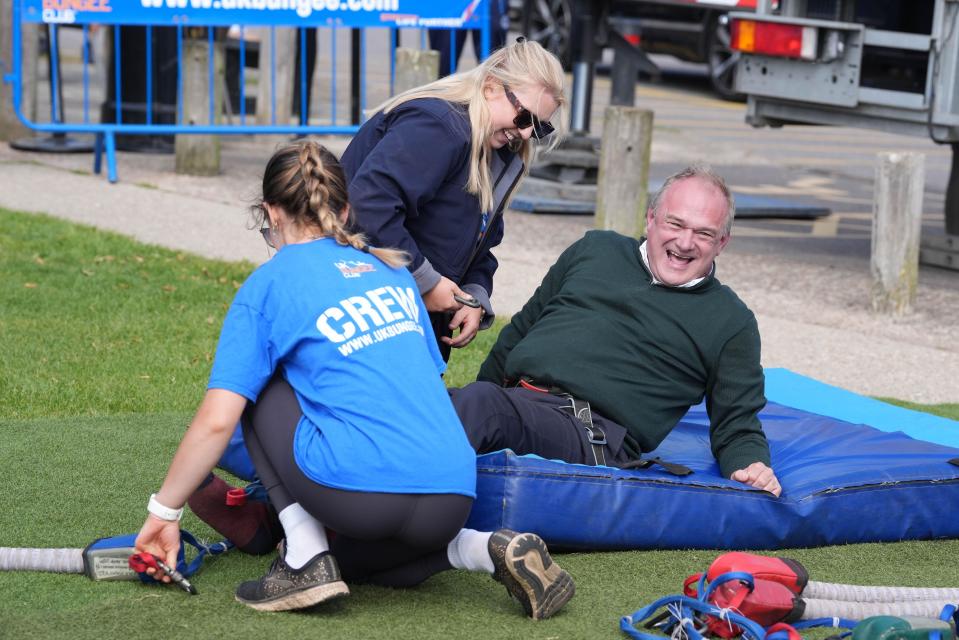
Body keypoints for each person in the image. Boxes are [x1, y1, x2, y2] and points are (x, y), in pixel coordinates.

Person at [134, 140, 575, 618]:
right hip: (452, 494)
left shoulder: (269, 284)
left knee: (255, 388)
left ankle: (302, 554)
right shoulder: (396, 272)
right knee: (350, 564)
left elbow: (219, 422)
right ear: (346, 209)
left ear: (270, 212)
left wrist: (164, 511)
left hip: (360, 494)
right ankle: (480, 547)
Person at [448, 166, 783, 497]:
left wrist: (750, 464)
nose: (685, 242)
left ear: (722, 242)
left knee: (482, 406)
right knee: (423, 398)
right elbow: (520, 331)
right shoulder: (595, 250)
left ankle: (410, 517)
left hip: (590, 434)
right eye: (675, 223)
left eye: (704, 233)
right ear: (651, 219)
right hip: (517, 402)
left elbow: (737, 424)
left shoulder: (730, 320)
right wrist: (470, 402)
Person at [340, 38, 567, 362]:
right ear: (491, 87)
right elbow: (367, 206)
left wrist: (474, 294)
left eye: (540, 127)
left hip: (410, 312)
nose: (528, 134)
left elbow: (481, 241)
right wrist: (426, 282)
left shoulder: (498, 151)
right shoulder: (438, 127)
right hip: (366, 309)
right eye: (523, 118)